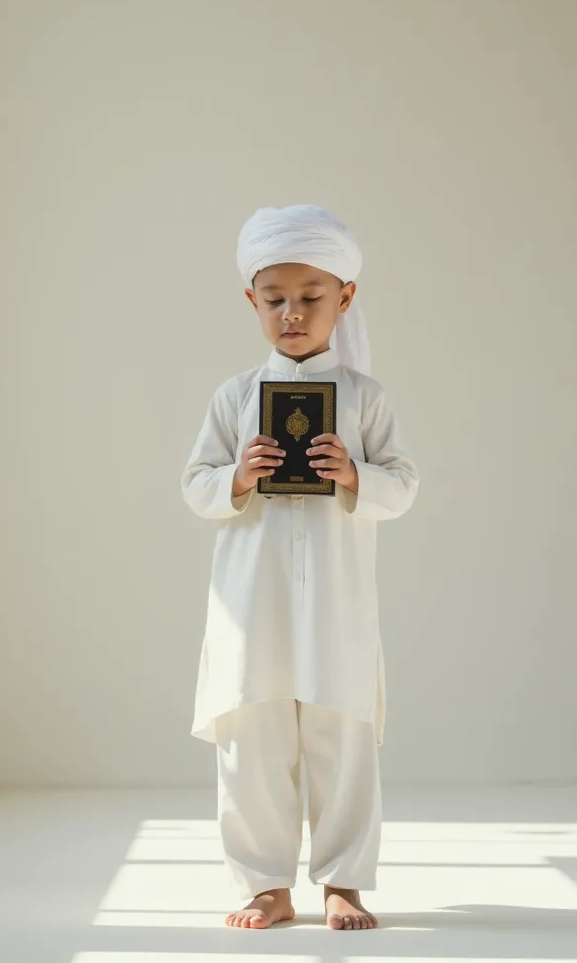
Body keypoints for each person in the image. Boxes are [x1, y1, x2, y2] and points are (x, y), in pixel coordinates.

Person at [180, 205, 419, 930]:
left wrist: (353, 475)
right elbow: (196, 484)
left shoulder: (366, 398)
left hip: (338, 603)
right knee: (251, 739)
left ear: (345, 297)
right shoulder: (235, 397)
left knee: (341, 735)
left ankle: (345, 881)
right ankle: (265, 884)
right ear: (251, 300)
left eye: (311, 297)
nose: (293, 313)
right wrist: (237, 480)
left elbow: (403, 484)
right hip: (252, 604)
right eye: (275, 298)